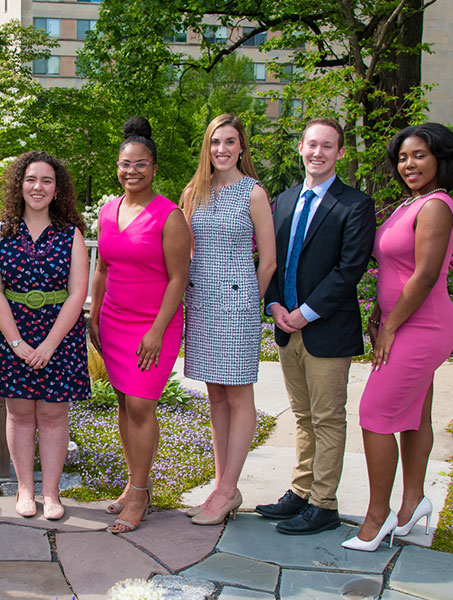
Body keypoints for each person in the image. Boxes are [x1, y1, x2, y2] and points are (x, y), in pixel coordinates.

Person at [342, 123, 453, 551]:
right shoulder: (410, 204)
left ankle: (379, 516)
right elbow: (399, 269)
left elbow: (427, 273)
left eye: (419, 156)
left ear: (440, 160)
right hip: (403, 319)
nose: (408, 164)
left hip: (422, 326)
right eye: (403, 158)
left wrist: (390, 326)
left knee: (374, 415)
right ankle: (413, 505)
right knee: (413, 419)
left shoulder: (435, 206)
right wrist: (380, 310)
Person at [257, 117, 376, 535]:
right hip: (285, 326)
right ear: (301, 148)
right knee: (303, 416)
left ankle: (324, 503)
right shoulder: (284, 200)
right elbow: (269, 259)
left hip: (325, 329)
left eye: (328, 146)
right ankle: (300, 491)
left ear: (340, 153)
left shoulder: (355, 205)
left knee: (327, 418)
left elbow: (349, 271)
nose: (318, 152)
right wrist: (273, 304)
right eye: (312, 144)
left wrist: (304, 312)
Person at [90, 116, 190, 534]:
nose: (132, 171)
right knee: (122, 402)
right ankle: (133, 485)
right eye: (125, 164)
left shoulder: (170, 217)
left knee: (141, 404)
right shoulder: (108, 210)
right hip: (112, 321)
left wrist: (156, 329)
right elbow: (103, 267)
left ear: (154, 167)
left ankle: (141, 491)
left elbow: (178, 279)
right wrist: (94, 314)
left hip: (155, 326)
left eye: (141, 164)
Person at [179, 114, 276, 526]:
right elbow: (182, 250)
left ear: (241, 148)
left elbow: (268, 261)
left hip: (236, 306)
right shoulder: (193, 192)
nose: (222, 149)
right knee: (215, 395)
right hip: (200, 303)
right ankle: (223, 487)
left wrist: (247, 301)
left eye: (230, 142)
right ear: (208, 146)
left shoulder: (253, 193)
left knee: (238, 396)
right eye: (215, 141)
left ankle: (227, 490)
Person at [0, 151, 90, 520]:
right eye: (31, 180)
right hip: (14, 333)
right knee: (19, 413)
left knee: (53, 415)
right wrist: (17, 343)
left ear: (57, 189)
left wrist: (48, 345)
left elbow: (78, 293)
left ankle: (52, 493)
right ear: (20, 185)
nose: (38, 187)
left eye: (46, 181)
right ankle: (25, 489)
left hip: (59, 335)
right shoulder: (1, 232)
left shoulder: (70, 234)